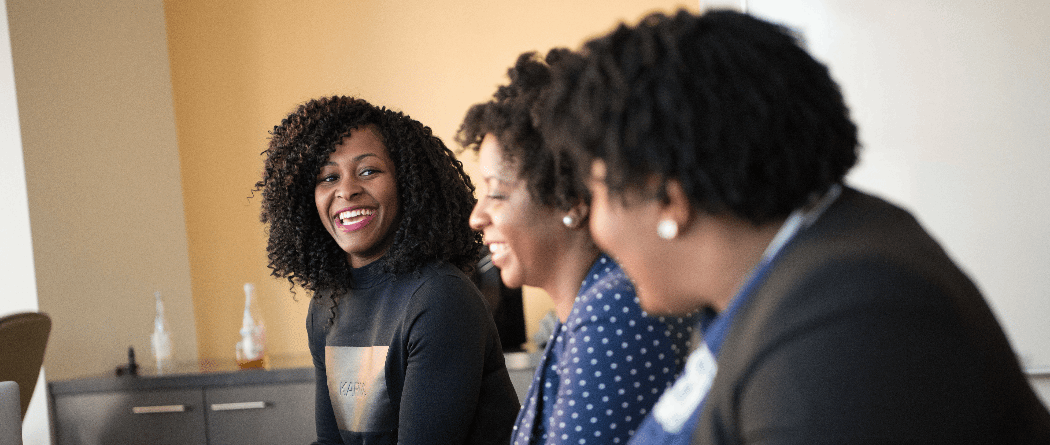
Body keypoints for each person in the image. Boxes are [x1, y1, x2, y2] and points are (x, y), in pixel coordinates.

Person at [537, 9, 1050, 444]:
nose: (596, 227)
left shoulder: (849, 314)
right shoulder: (795, 272)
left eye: (598, 194)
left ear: (668, 199)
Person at [459, 50, 695, 445]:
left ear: (570, 199)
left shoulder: (613, 310)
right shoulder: (581, 312)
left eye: (496, 193)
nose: (477, 216)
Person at [256, 96, 519, 444]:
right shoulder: (327, 305)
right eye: (328, 177)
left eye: (368, 171)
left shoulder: (440, 298)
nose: (346, 190)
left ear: (407, 184)